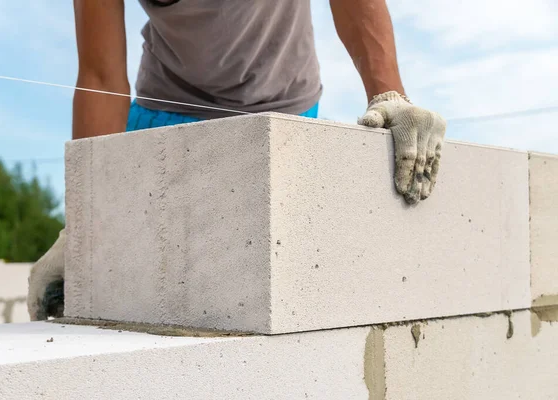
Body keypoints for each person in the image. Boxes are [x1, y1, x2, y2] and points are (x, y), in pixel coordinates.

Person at [27, 0, 446, 321]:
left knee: (276, 301)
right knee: (142, 298)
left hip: (282, 107)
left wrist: (388, 94)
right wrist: (83, 227)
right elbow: (100, 76)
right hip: (165, 113)